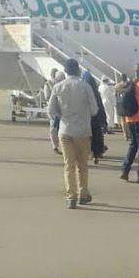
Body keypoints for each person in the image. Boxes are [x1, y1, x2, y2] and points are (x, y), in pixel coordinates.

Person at [47, 58, 99, 209]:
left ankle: (71, 196)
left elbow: (51, 110)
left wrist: (63, 115)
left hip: (65, 129)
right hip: (82, 130)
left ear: (65, 71)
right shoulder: (85, 87)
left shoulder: (57, 87)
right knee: (82, 165)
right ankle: (84, 193)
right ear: (77, 70)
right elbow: (95, 109)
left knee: (68, 165)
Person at [82, 71, 108, 164]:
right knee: (97, 135)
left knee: (87, 136)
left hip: (85, 117)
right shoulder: (95, 91)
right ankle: (96, 153)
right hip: (95, 117)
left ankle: (91, 152)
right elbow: (100, 105)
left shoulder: (82, 90)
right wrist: (104, 120)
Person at [48, 71, 65, 154]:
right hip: (56, 113)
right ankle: (55, 146)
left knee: (60, 130)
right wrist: (52, 114)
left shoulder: (64, 86)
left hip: (62, 113)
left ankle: (61, 146)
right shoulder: (51, 85)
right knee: (54, 129)